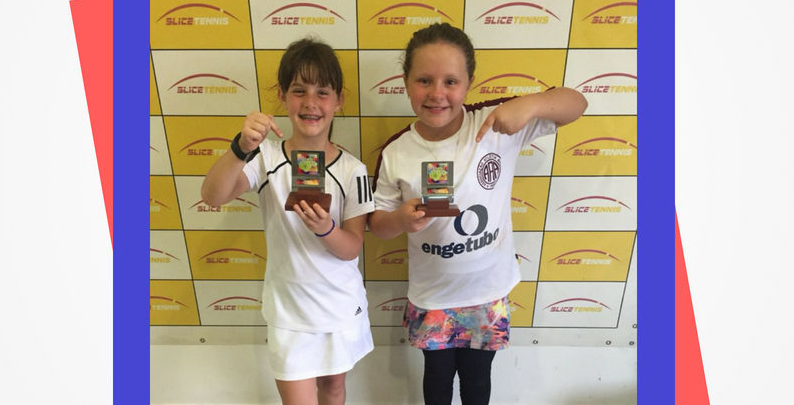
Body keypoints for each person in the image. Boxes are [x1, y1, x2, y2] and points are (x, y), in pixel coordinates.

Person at [368, 23, 588, 405]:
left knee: (478, 380)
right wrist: (400, 220)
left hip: (488, 291)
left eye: (451, 81)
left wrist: (529, 104)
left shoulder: (496, 123)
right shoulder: (396, 152)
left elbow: (576, 104)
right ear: (405, 83)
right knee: (437, 379)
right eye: (424, 80)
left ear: (470, 83)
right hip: (433, 296)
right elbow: (378, 226)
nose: (437, 93)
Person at [201, 38, 375, 405]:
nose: (311, 102)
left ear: (339, 100)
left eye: (322, 92)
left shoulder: (353, 169)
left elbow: (352, 248)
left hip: (340, 307)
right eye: (299, 91)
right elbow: (213, 196)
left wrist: (326, 230)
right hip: (289, 312)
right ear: (282, 96)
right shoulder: (263, 156)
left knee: (334, 389)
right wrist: (240, 147)